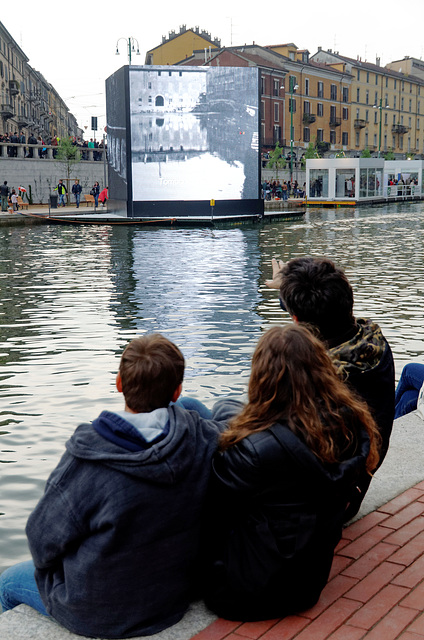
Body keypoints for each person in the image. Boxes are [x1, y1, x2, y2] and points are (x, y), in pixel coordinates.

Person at [0, 334, 224, 638]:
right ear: (177, 390)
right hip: (172, 597)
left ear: (119, 383)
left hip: (99, 610)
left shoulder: (89, 461)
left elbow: (42, 540)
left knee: (7, 584)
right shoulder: (202, 439)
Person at [202, 324, 380, 622]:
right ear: (321, 369)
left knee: (213, 411)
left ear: (262, 376)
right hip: (307, 585)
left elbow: (215, 515)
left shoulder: (250, 451)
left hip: (242, 592)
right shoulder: (350, 427)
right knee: (226, 408)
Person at [265, 256, 395, 519]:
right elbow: (313, 316)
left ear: (296, 320)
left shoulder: (315, 375)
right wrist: (285, 292)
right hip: (355, 483)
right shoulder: (374, 343)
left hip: (326, 503)